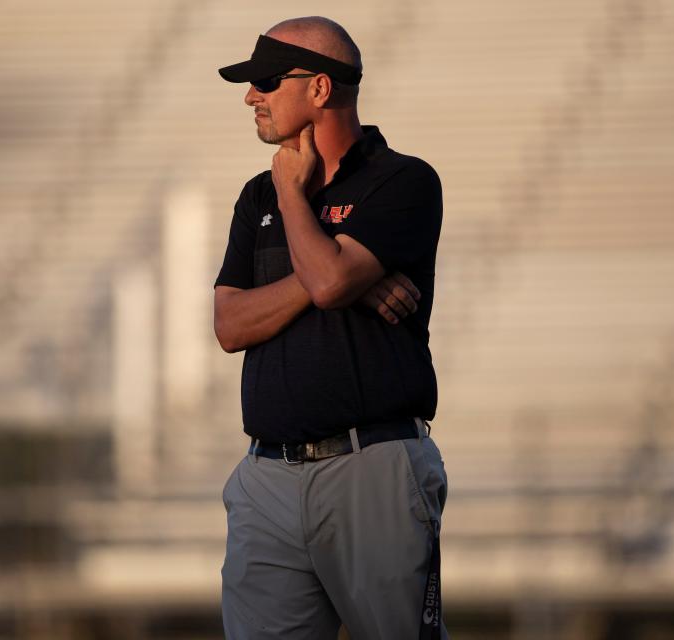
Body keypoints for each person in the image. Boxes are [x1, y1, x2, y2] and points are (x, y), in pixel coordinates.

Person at [213, 16, 448, 640]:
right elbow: (231, 323)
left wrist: (296, 200)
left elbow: (327, 283)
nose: (250, 96)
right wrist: (348, 278)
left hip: (370, 465)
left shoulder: (404, 181)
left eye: (266, 81)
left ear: (320, 89)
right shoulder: (254, 196)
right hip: (266, 473)